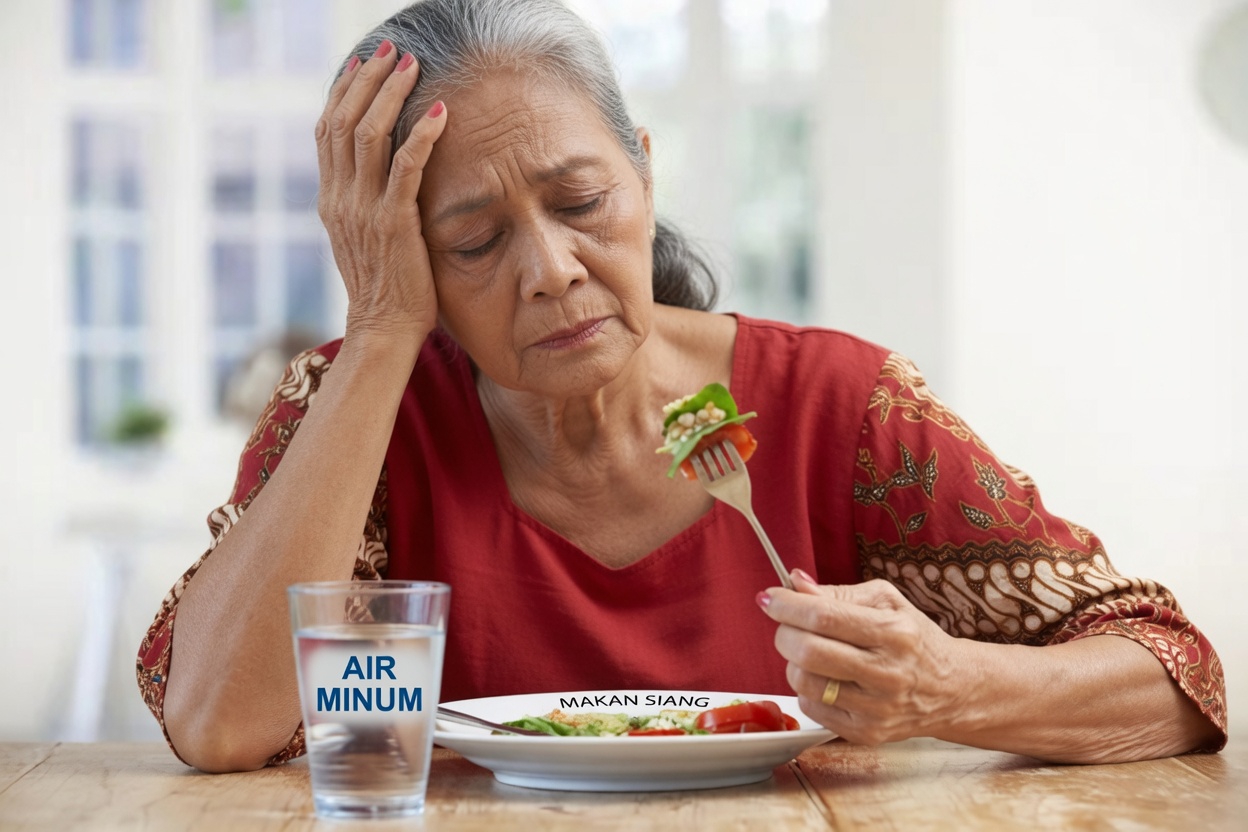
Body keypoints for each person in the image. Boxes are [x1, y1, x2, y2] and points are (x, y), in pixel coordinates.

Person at [136, 0, 1226, 773]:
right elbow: (220, 724)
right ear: (406, 258)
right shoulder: (360, 416)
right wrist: (380, 331)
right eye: (472, 242)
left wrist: (949, 685)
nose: (552, 268)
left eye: (581, 202)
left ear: (646, 173)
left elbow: (1175, 674)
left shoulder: (841, 409)